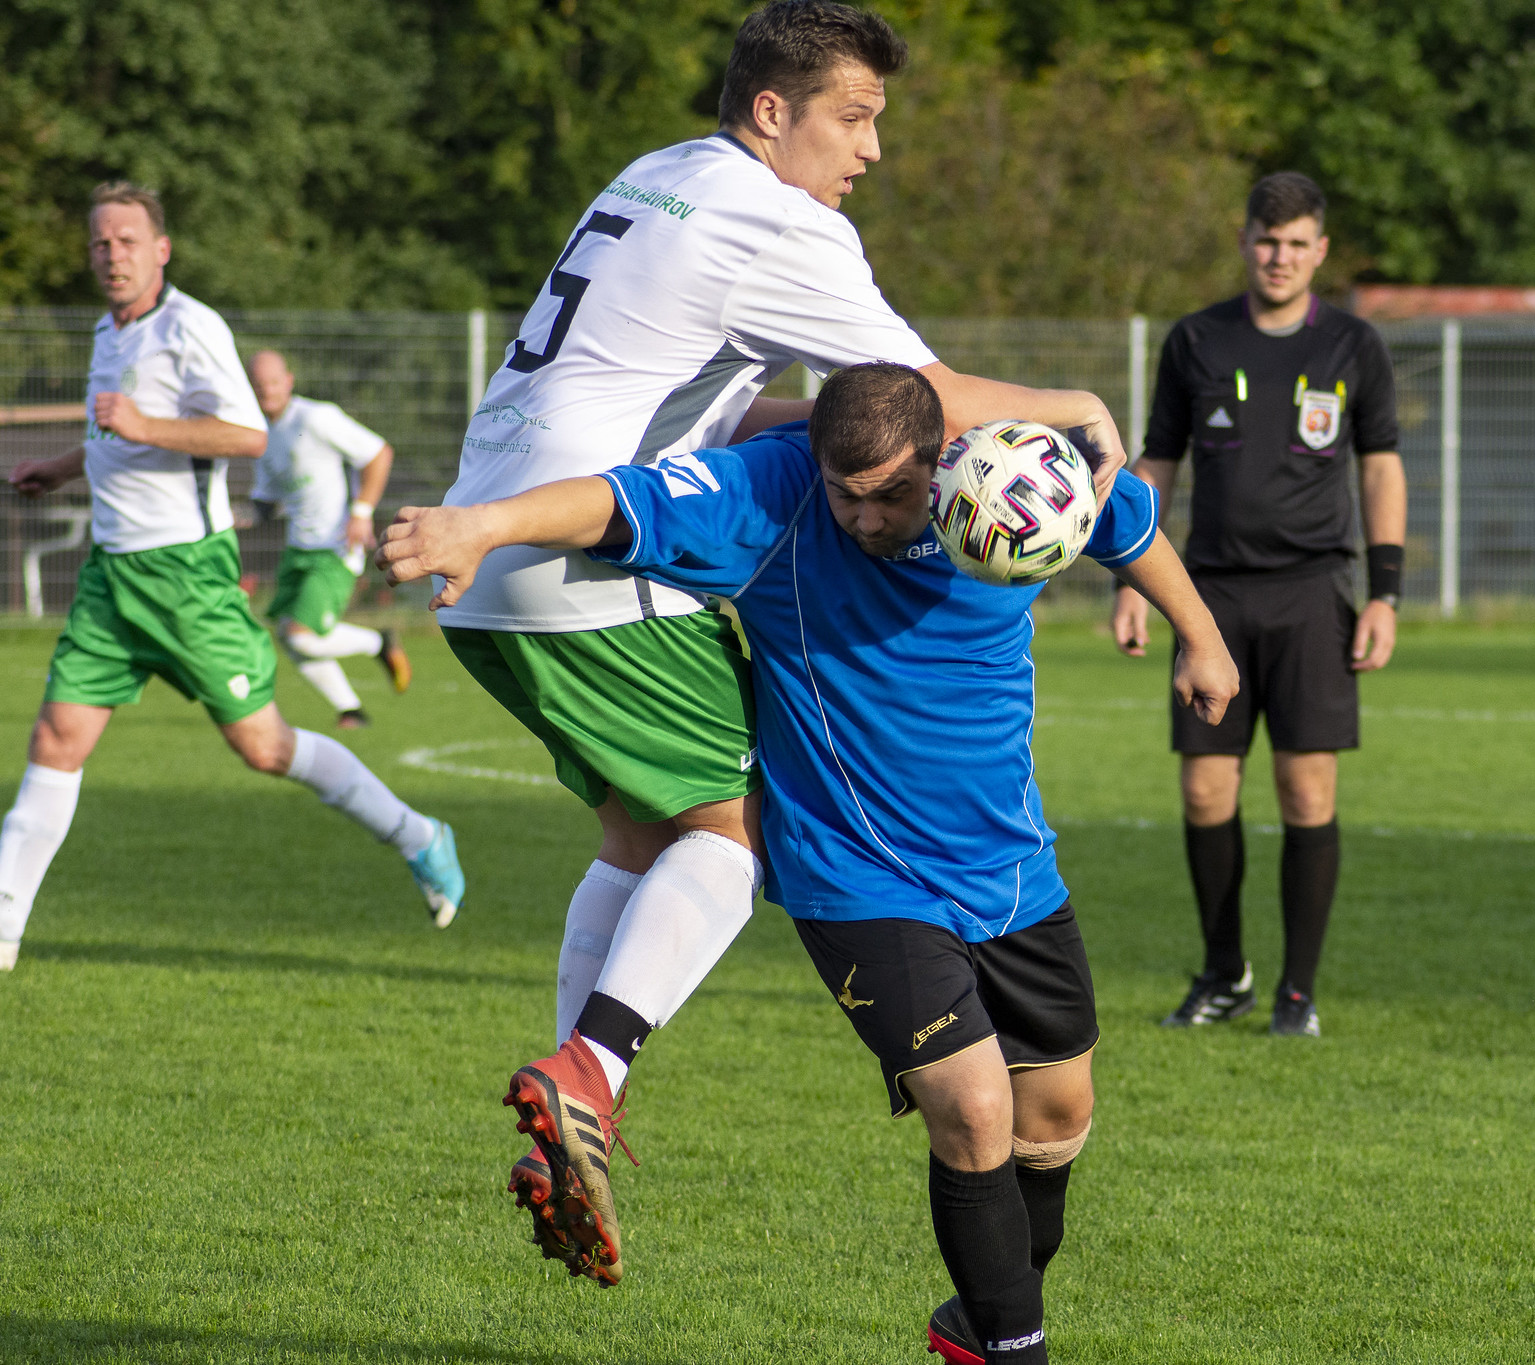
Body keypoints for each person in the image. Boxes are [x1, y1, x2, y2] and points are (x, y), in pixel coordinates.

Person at [430, 0, 1128, 1280]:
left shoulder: (656, 179)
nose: (866, 151)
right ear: (771, 111)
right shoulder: (779, 218)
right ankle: (588, 1072)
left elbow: (767, 400)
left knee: (641, 836)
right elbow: (920, 404)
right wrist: (1069, 401)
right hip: (596, 545)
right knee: (744, 826)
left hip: (500, 556)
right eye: (851, 118)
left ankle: (573, 1123)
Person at [381, 362, 1237, 1363]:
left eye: (891, 494)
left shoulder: (1006, 472)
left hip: (1008, 870)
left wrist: (1201, 636)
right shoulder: (774, 495)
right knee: (971, 1109)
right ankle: (1014, 1350)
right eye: (847, 494)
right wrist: (482, 524)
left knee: (1053, 1125)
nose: (867, 517)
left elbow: (1123, 516)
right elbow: (615, 506)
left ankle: (980, 1323)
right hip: (855, 877)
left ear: (938, 456)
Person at [0, 181, 466, 973]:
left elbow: (247, 433)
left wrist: (142, 424)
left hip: (189, 578)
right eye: (99, 243)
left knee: (263, 746)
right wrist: (64, 465)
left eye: (126, 241)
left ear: (161, 249)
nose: (111, 255)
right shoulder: (106, 332)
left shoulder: (190, 325)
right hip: (113, 579)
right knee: (56, 739)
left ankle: (417, 833)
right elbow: (115, 435)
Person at [1111, 171, 1406, 1038]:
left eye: (1297, 243)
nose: (1279, 257)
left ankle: (1298, 993)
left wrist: (1384, 592)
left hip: (1315, 592)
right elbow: (1157, 461)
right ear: (1245, 242)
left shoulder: (1354, 344)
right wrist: (1135, 580)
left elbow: (1380, 466)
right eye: (1266, 241)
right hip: (1211, 596)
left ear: (1320, 250)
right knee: (1206, 792)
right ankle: (1222, 972)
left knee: (1305, 790)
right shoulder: (1196, 339)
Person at [246, 349, 412, 729]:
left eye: (273, 382)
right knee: (289, 636)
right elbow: (265, 503)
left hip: (335, 547)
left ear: (288, 380)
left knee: (302, 635)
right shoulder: (262, 433)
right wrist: (230, 516)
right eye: (259, 385)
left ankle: (380, 643)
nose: (267, 391)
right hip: (298, 548)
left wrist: (361, 513)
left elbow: (378, 453)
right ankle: (351, 710)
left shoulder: (316, 417)